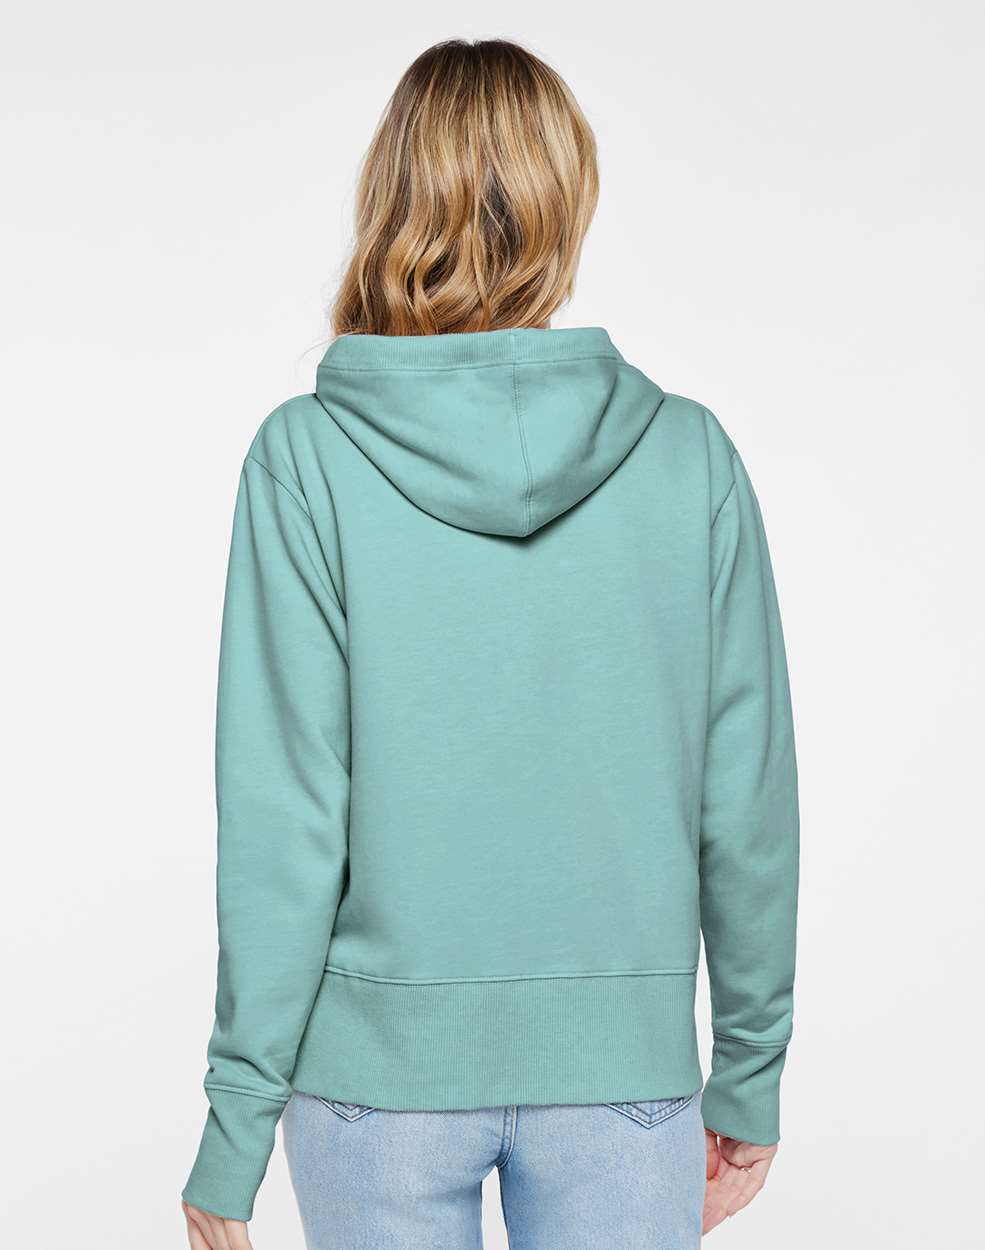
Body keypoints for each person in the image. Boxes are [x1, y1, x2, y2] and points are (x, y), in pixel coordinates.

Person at [181, 38, 799, 1250]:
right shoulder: (689, 459)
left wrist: (236, 1118)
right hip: (623, 1079)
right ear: (566, 198)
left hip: (374, 1082)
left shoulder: (306, 458)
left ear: (391, 194)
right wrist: (748, 1072)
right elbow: (747, 803)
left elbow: (284, 817)